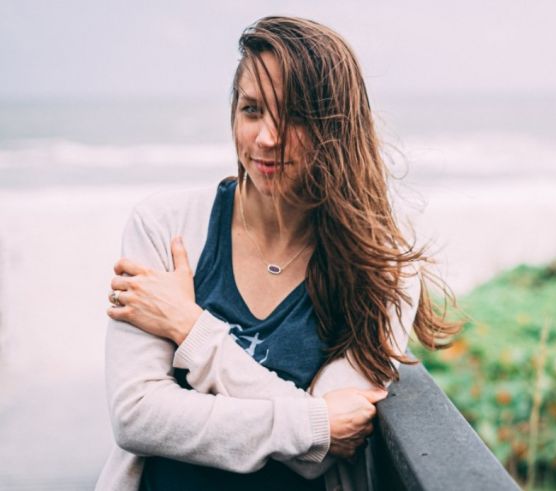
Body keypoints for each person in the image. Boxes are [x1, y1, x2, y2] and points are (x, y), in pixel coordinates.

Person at [95, 16, 457, 491]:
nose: (266, 138)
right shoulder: (165, 227)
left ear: (336, 128)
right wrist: (309, 424)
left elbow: (317, 460)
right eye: (251, 110)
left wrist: (191, 329)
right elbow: (137, 415)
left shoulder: (381, 268)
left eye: (294, 116)